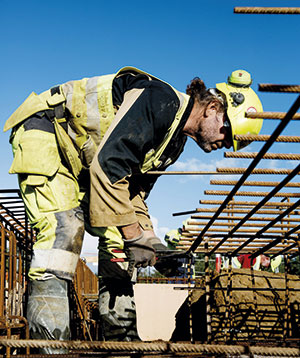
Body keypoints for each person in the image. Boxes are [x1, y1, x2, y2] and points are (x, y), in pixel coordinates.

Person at [4, 66, 263, 352]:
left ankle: (121, 347)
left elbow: (133, 192)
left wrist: (151, 241)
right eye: (229, 132)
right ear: (213, 107)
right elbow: (109, 166)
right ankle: (50, 349)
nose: (226, 143)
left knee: (117, 246)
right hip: (49, 130)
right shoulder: (160, 101)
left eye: (233, 143)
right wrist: (133, 235)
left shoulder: (173, 144)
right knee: (63, 232)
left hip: (85, 161)